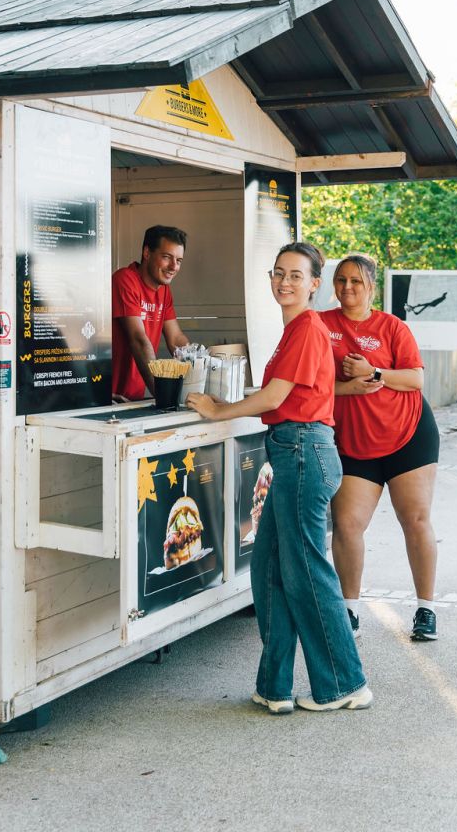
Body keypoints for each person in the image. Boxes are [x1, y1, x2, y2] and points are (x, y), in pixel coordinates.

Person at [186, 242, 371, 714]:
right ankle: (275, 687)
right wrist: (233, 404)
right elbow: (279, 395)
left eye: (295, 275)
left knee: (307, 572)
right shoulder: (295, 329)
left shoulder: (307, 328)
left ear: (314, 285)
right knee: (270, 569)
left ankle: (345, 683)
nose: (284, 282)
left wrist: (220, 411)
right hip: (294, 453)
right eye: (278, 273)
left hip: (304, 453)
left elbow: (274, 398)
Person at [319, 253, 440, 642]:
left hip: (408, 435)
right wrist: (348, 387)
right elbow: (310, 382)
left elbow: (415, 379)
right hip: (355, 441)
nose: (347, 287)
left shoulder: (392, 327)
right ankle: (349, 610)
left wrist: (373, 372)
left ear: (371, 286)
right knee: (347, 524)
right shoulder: (321, 325)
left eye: (356, 281)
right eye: (341, 280)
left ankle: (425, 609)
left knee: (415, 519)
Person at [111, 225, 189, 401]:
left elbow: (176, 339)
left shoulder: (164, 291)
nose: (173, 266)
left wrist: (199, 364)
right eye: (166, 257)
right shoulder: (125, 279)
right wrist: (163, 395)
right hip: (111, 397)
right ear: (147, 253)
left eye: (179, 260)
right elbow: (138, 339)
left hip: (134, 398)